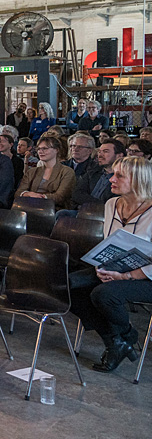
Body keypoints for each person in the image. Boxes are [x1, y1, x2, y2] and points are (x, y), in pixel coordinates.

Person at [69, 156, 152, 372]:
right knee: (69, 285)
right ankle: (119, 339)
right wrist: (102, 266)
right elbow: (109, 244)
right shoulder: (111, 204)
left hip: (147, 276)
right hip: (117, 270)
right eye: (112, 174)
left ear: (138, 181)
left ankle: (122, 337)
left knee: (104, 294)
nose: (111, 180)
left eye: (119, 176)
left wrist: (126, 276)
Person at [15, 135, 76, 209]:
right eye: (39, 149)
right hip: (29, 206)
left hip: (53, 209)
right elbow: (18, 192)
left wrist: (40, 197)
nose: (40, 151)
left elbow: (60, 196)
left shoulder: (67, 172)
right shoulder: (32, 171)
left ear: (56, 150)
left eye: (45, 148)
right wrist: (27, 194)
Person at [71, 139, 125, 210]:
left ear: (119, 156)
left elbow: (112, 202)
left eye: (105, 151)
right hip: (83, 211)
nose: (100, 155)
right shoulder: (93, 172)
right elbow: (77, 193)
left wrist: (94, 205)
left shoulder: (123, 178)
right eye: (99, 151)